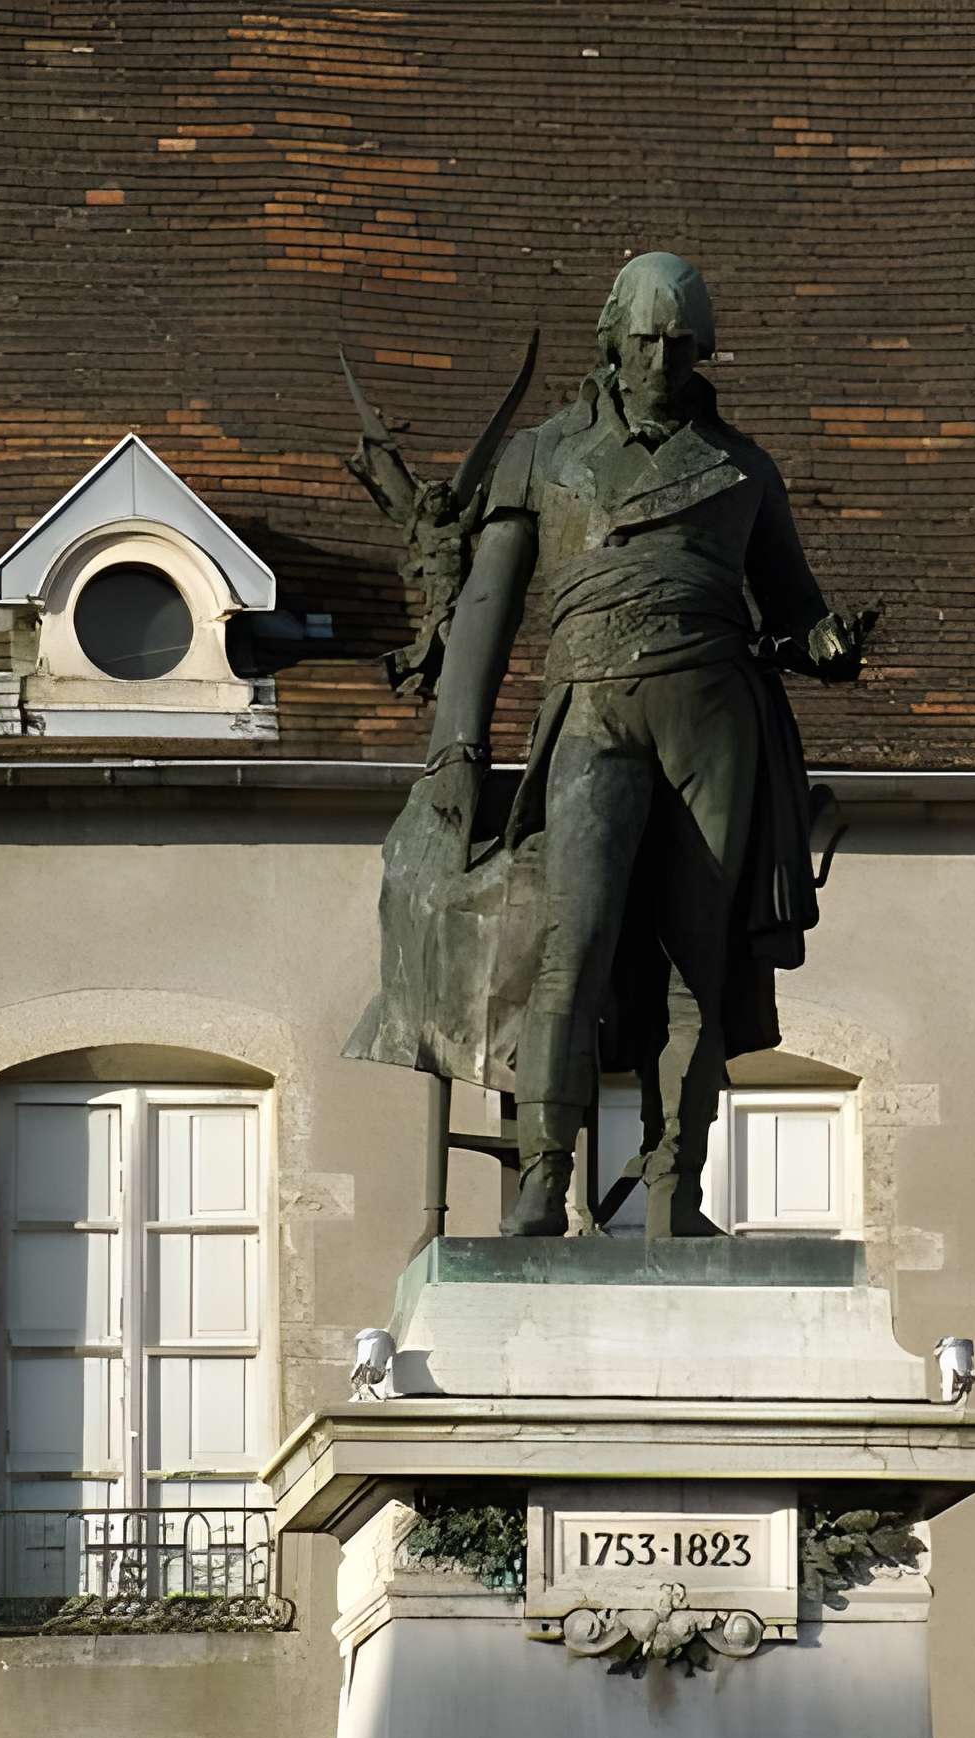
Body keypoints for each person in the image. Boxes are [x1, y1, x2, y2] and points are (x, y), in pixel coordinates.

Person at [350, 251, 873, 1237]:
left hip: (711, 718)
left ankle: (678, 1193)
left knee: (697, 967)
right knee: (574, 942)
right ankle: (542, 1179)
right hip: (592, 707)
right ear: (611, 339)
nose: (661, 361)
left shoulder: (743, 469)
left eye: (680, 344)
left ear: (704, 349)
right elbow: (487, 609)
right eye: (645, 340)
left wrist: (828, 642)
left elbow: (796, 606)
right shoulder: (543, 456)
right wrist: (455, 747)